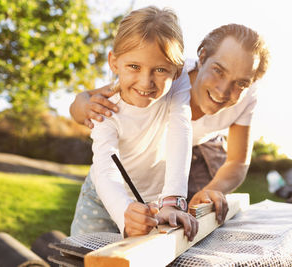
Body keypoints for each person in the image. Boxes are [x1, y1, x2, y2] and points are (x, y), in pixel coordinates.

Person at [70, 23, 270, 225]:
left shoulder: (247, 97)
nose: (223, 91)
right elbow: (93, 99)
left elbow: (237, 161)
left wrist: (211, 190)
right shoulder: (166, 76)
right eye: (218, 70)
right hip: (135, 162)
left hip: (189, 155)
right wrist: (83, 105)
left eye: (241, 83)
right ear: (201, 58)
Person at [70, 6, 199, 241]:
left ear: (177, 72)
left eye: (160, 70)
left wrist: (173, 201)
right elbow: (105, 166)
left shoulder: (178, 85)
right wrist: (123, 213)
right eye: (134, 67)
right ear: (114, 62)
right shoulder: (105, 106)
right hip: (100, 199)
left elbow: (181, 131)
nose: (145, 81)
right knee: (83, 257)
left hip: (152, 203)